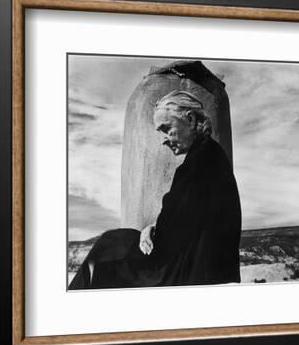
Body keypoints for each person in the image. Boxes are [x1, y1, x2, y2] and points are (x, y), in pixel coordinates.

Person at [69, 90, 241, 289]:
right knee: (114, 241)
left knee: (106, 250)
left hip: (189, 273)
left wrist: (151, 232)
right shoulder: (209, 155)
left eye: (167, 128)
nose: (164, 139)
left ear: (191, 120)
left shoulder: (199, 163)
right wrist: (154, 228)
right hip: (197, 266)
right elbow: (182, 220)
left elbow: (171, 235)